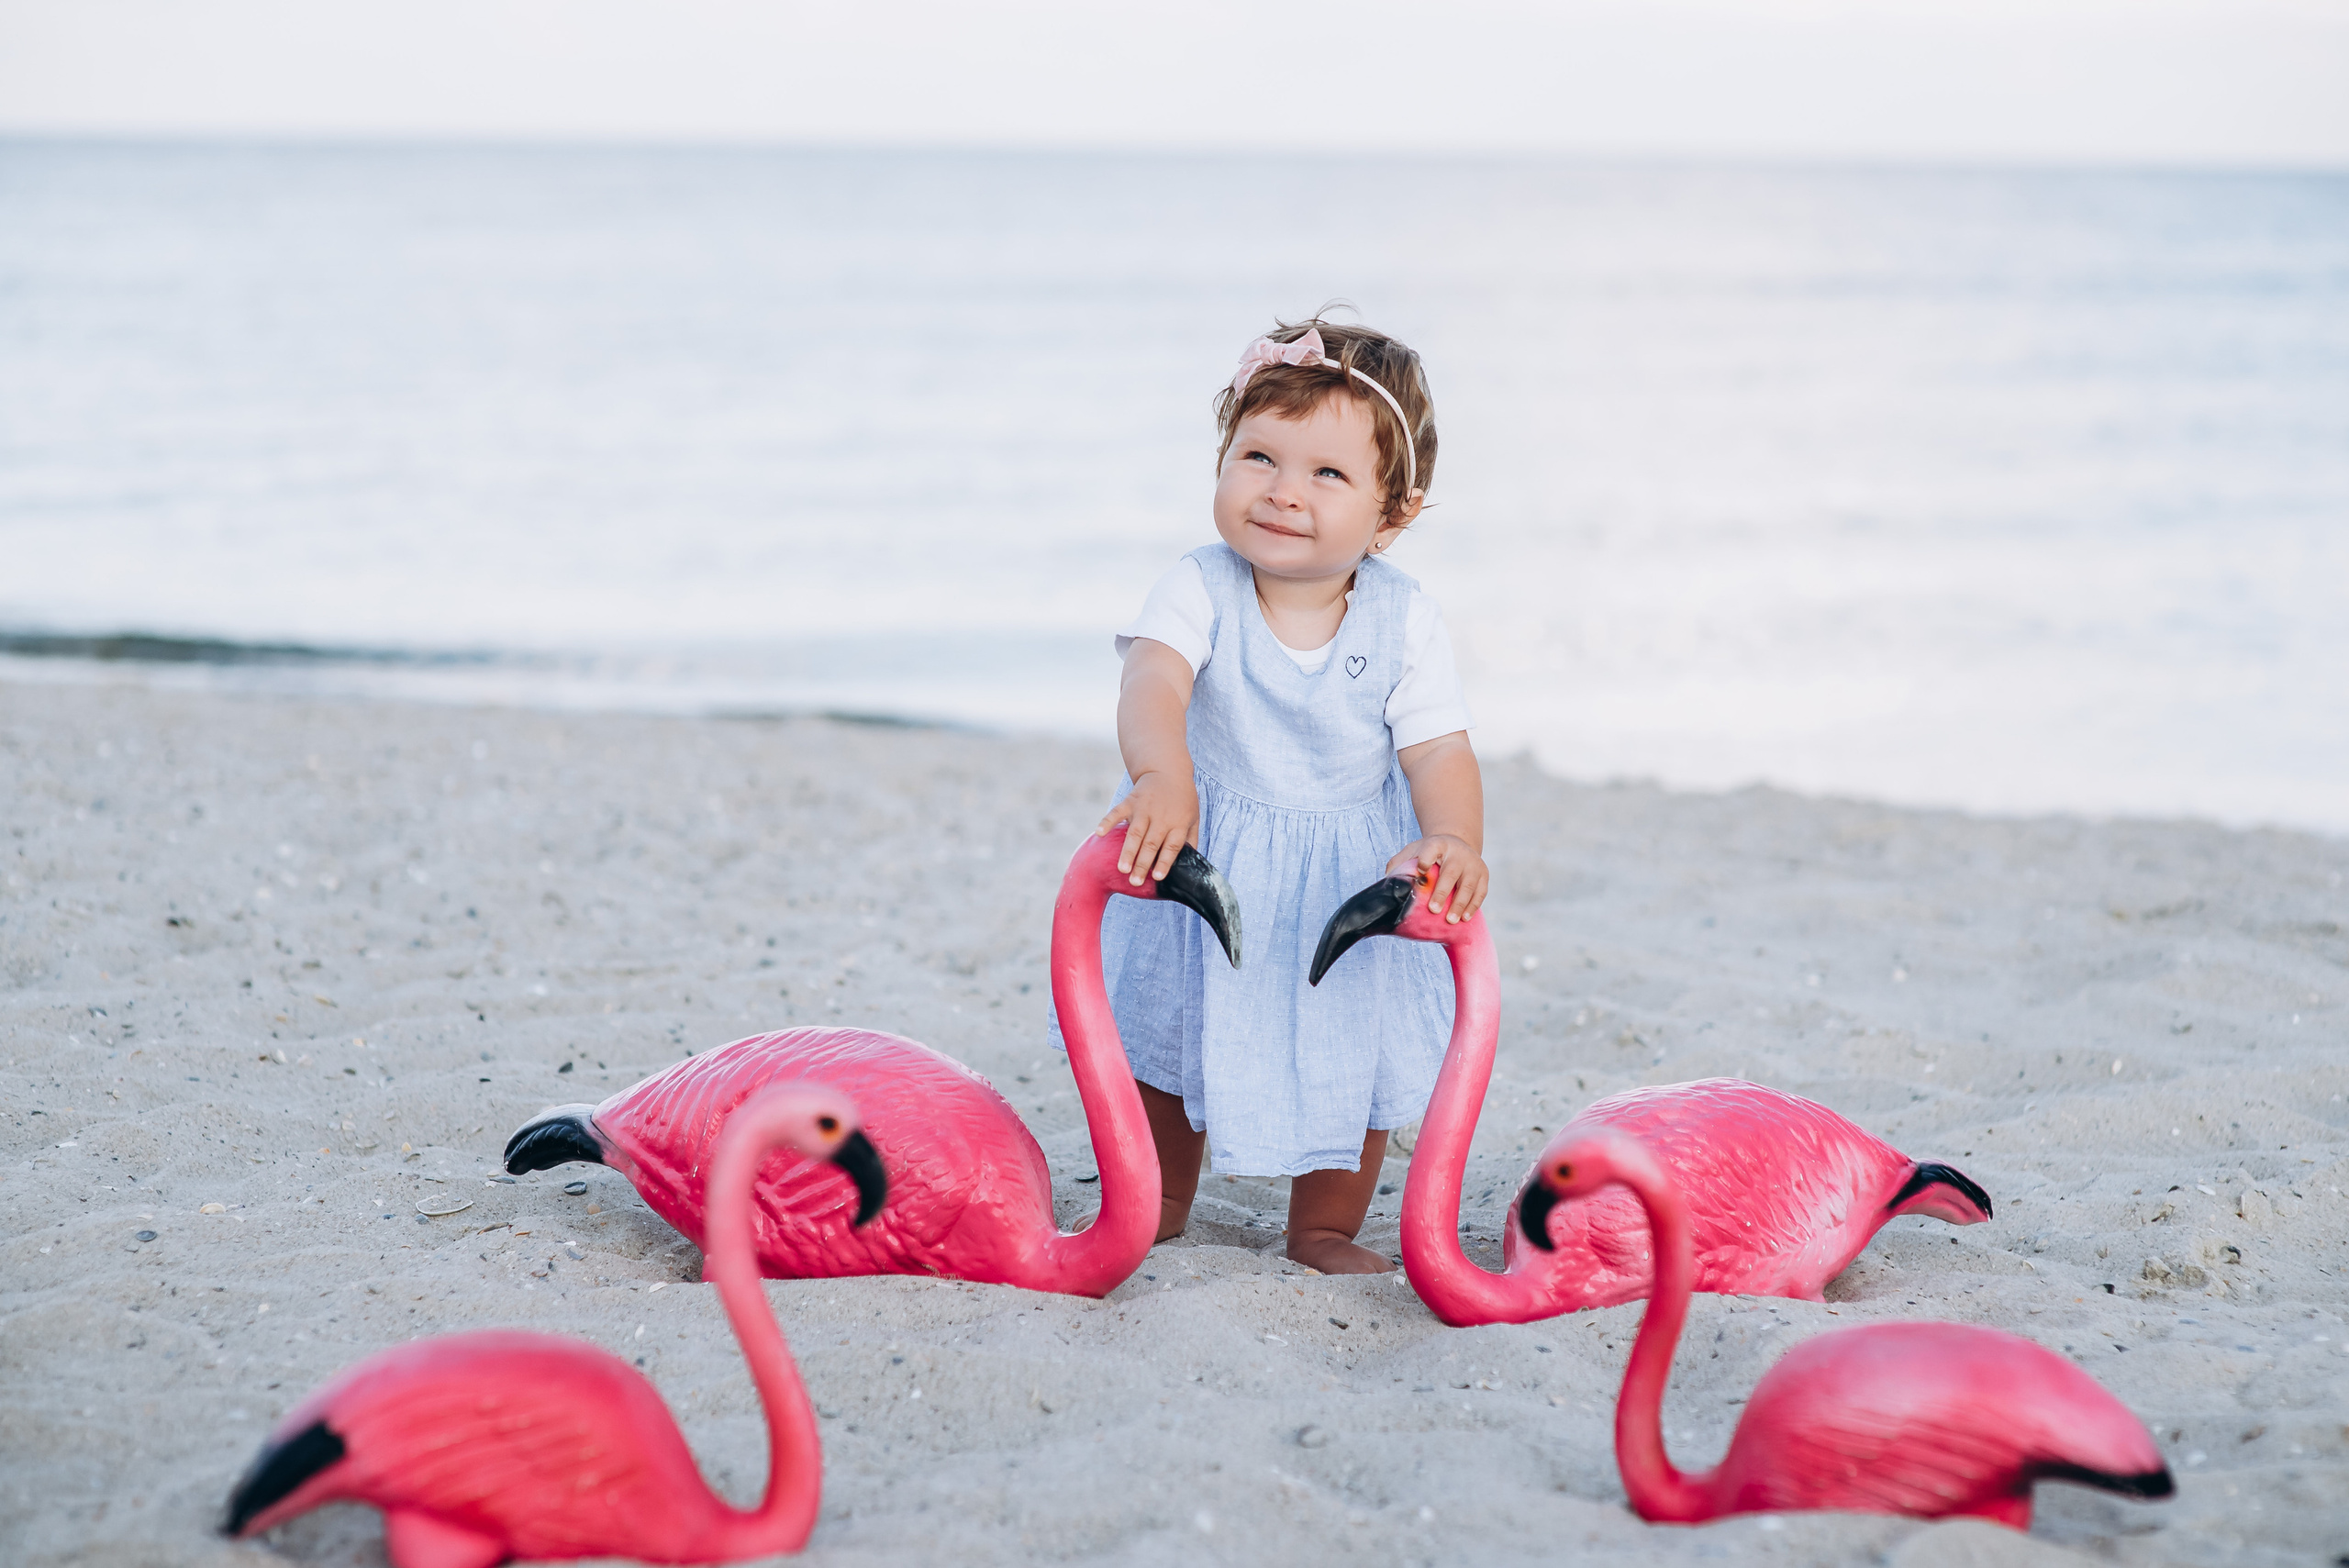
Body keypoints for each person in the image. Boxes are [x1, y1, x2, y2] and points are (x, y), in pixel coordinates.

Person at [1056, 316, 1486, 1274]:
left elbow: (1439, 749)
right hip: (1207, 854)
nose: (1284, 492)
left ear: (1391, 515)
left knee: (1354, 1047)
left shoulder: (1402, 617)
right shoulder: (1200, 586)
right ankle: (1159, 1194)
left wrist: (1452, 836)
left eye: (1326, 474)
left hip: (1341, 873)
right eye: (1258, 457)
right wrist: (1162, 773)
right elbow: (1153, 683)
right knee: (1168, 1030)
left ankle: (1323, 1224)